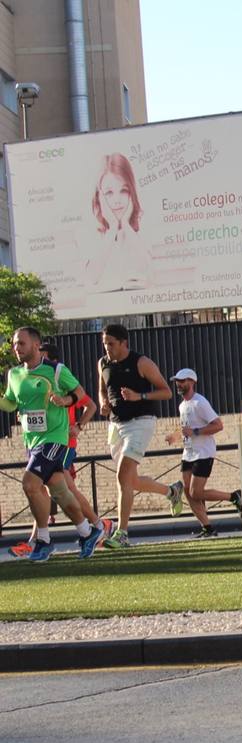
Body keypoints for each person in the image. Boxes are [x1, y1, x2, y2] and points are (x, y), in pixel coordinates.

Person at [0, 327, 103, 561]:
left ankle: (43, 541)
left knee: (29, 484)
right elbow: (10, 403)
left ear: (36, 345)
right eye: (15, 344)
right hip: (32, 441)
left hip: (55, 438)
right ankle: (88, 532)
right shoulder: (14, 374)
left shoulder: (56, 371)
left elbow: (80, 393)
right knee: (59, 491)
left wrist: (64, 400)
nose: (17, 348)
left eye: (22, 343)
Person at [97, 323, 184, 548]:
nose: (108, 348)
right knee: (130, 480)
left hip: (141, 422)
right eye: (105, 344)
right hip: (115, 425)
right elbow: (101, 389)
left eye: (112, 344)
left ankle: (122, 533)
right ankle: (172, 491)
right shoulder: (103, 363)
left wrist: (139, 395)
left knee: (122, 476)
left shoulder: (141, 362)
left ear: (124, 343)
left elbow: (165, 391)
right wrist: (103, 404)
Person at [164, 368, 241, 538]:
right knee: (187, 490)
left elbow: (218, 425)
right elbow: (186, 428)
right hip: (188, 453)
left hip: (204, 453)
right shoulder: (182, 405)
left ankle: (234, 496)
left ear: (192, 382)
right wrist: (175, 436)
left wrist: (196, 432)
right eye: (177, 381)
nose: (179, 384)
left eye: (182, 381)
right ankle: (207, 528)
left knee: (196, 492)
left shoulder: (200, 402)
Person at [84, 153, 152, 293]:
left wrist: (126, 226)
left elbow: (146, 269)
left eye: (123, 191)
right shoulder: (89, 234)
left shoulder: (141, 231)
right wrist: (113, 228)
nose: (117, 200)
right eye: (109, 193)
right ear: (99, 196)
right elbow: (92, 277)